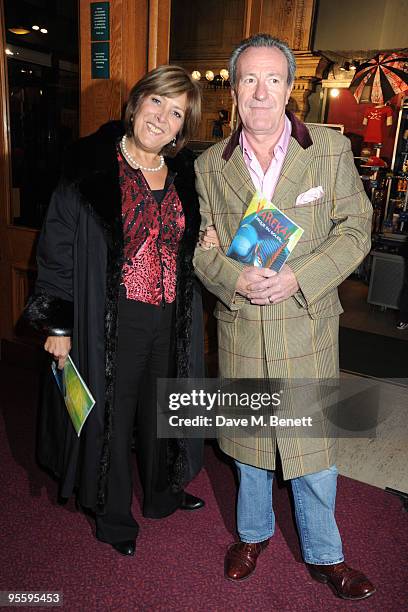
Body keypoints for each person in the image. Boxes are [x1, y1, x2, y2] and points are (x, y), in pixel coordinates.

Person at [194, 34, 376, 600]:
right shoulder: (208, 166)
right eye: (248, 79)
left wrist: (301, 276)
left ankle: (326, 553)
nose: (261, 92)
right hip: (244, 324)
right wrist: (233, 277)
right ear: (234, 88)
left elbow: (356, 230)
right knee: (250, 445)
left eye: (273, 79)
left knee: (313, 449)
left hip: (306, 322)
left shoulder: (327, 149)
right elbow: (203, 251)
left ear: (290, 88)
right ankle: (253, 535)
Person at [24, 65, 205, 557]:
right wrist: (57, 324)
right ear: (136, 103)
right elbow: (56, 250)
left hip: (171, 315)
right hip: (112, 317)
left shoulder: (185, 172)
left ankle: (164, 493)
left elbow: (185, 239)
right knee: (112, 417)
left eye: (175, 113)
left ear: (180, 128)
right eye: (156, 103)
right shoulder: (89, 166)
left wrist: (201, 238)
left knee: (164, 407)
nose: (162, 118)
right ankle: (113, 515)